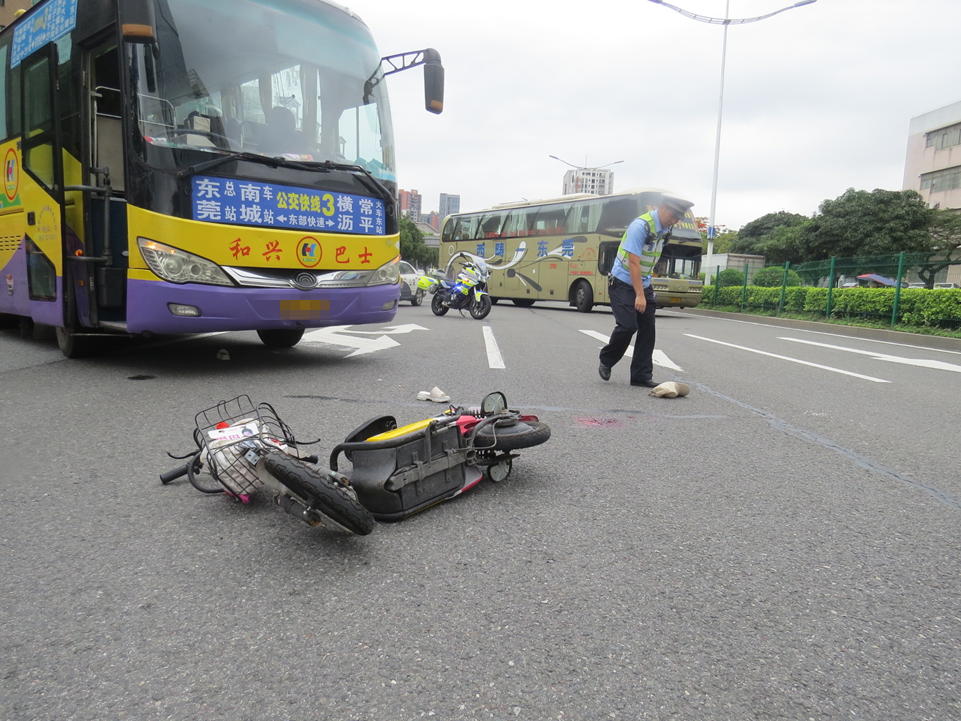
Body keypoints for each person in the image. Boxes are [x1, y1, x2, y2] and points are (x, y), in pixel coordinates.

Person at [598, 195, 694, 387]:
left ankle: (641, 375)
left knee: (647, 328)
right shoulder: (640, 226)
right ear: (663, 207)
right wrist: (640, 295)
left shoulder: (666, 229)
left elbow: (651, 257)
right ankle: (607, 360)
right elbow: (634, 262)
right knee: (628, 326)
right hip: (623, 281)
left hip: (644, 281)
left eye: (678, 218)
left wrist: (646, 287)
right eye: (673, 216)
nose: (674, 221)